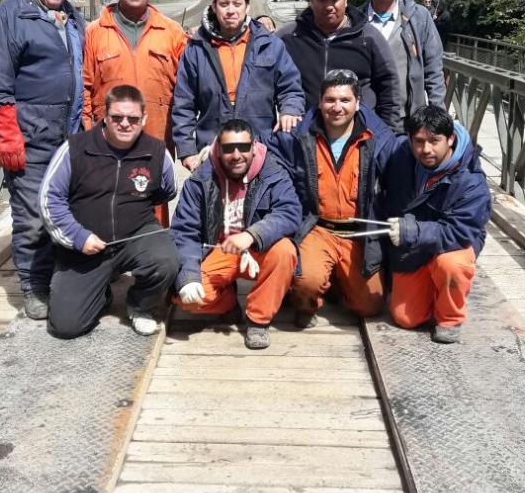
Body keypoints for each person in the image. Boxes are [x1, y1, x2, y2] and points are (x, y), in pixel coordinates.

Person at [0, 0, 85, 320]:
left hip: (70, 136)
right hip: (31, 136)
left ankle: (59, 280)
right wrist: (7, 134)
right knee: (32, 216)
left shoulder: (72, 18)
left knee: (65, 209)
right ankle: (34, 287)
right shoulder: (8, 16)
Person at [39, 85, 180, 339]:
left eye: (133, 118)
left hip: (134, 236)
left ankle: (140, 304)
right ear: (105, 116)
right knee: (66, 327)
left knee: (167, 259)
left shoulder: (158, 152)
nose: (125, 124)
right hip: (85, 245)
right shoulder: (74, 148)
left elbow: (167, 190)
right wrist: (79, 237)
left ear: (144, 119)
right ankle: (101, 293)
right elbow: (50, 200)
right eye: (117, 117)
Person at [269, 70, 394, 327]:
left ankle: (338, 283)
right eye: (330, 100)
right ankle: (310, 302)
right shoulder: (299, 135)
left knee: (370, 304)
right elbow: (260, 148)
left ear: (358, 103)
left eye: (345, 100)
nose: (337, 107)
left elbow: (405, 159)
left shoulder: (377, 139)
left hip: (358, 231)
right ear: (320, 102)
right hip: (319, 228)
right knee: (306, 281)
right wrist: (217, 148)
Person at [171, 119, 302, 350]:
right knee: (187, 298)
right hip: (218, 250)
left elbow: (290, 212)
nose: (236, 154)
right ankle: (228, 305)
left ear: (253, 147)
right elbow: (185, 230)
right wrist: (189, 276)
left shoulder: (273, 172)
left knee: (285, 251)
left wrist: (252, 234)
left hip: (259, 248)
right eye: (229, 148)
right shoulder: (200, 179)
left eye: (243, 147)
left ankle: (258, 320)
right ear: (218, 149)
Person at [381, 104, 491, 344]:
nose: (426, 149)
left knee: (451, 265)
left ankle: (450, 318)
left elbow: (462, 230)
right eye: (418, 141)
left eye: (434, 141)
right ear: (409, 140)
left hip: (453, 243)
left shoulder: (471, 180)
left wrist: (414, 231)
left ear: (450, 139)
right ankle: (431, 286)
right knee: (405, 318)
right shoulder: (401, 156)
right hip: (413, 244)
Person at [172, 0, 305, 172]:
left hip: (261, 149)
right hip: (212, 150)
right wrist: (187, 151)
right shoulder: (196, 49)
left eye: (237, 3)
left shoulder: (270, 45)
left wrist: (290, 110)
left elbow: (291, 89)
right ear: (214, 6)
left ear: (247, 7)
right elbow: (183, 103)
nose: (231, 10)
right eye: (224, 4)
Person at [82, 0, 187, 145]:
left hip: (157, 139)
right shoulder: (94, 32)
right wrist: (88, 134)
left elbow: (187, 91)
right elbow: (84, 89)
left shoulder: (173, 32)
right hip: (107, 141)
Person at [277, 0, 400, 128]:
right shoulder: (289, 37)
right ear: (311, 1)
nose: (328, 6)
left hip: (360, 137)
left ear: (346, 0)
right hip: (306, 136)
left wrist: (387, 132)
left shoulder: (368, 37)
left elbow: (390, 87)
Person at [361, 0, 445, 122]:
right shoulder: (356, 21)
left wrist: (438, 117)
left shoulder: (419, 18)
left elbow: (434, 70)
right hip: (365, 119)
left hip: (408, 119)